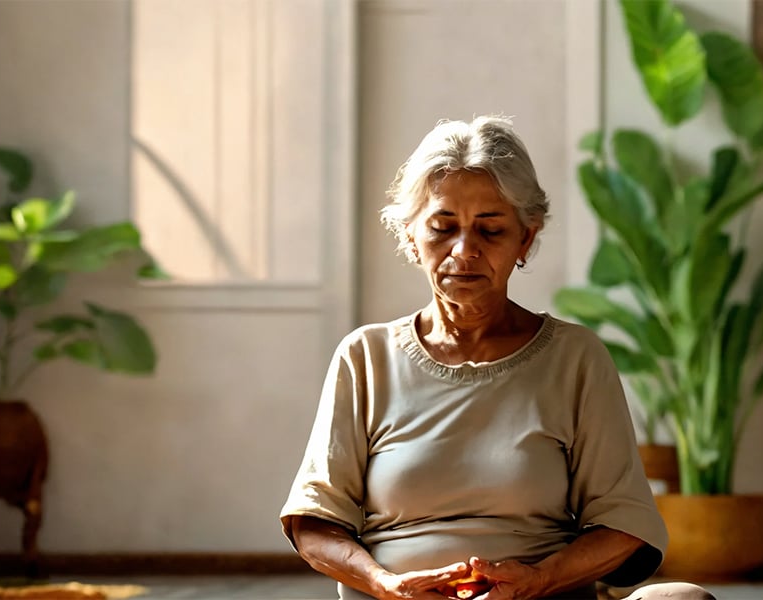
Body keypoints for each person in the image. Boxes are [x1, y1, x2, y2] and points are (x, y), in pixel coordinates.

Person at [280, 116, 713, 600]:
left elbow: (626, 523)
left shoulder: (574, 358)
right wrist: (385, 585)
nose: (464, 250)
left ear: (525, 239)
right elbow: (315, 522)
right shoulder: (365, 358)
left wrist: (540, 580)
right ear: (410, 235)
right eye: (442, 228)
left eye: (491, 231)